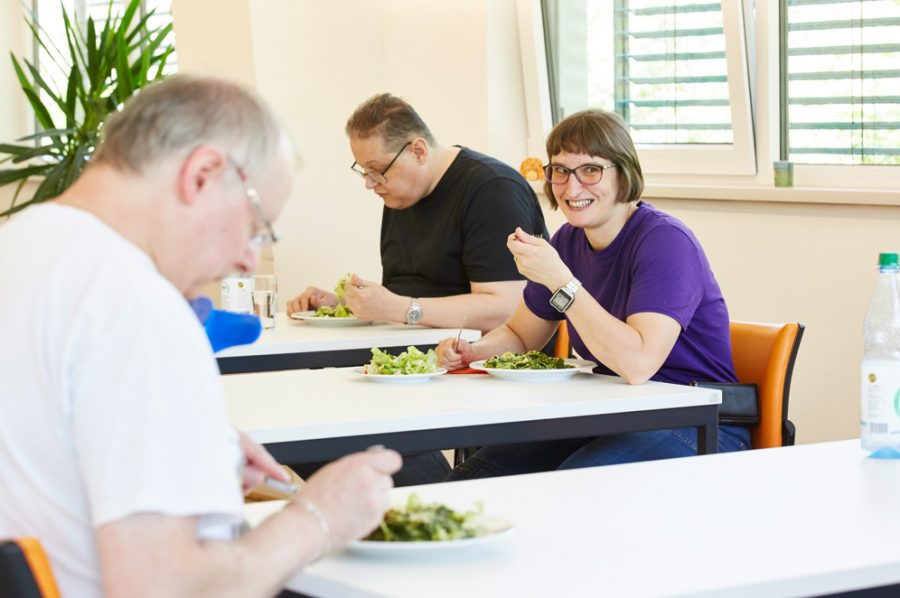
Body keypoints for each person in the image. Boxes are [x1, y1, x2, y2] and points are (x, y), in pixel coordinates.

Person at [0, 75, 401, 598]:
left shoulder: (23, 244)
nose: (247, 258)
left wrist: (182, 438)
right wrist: (318, 517)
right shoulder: (138, 306)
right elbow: (169, 588)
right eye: (257, 225)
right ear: (203, 174)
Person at [437, 109, 750, 480]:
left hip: (696, 422)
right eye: (560, 171)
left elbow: (638, 365)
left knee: (567, 489)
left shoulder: (666, 241)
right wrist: (474, 352)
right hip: (609, 411)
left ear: (624, 172)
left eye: (590, 170)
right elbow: (522, 336)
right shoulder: (567, 241)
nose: (572, 188)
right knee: (472, 480)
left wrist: (563, 283)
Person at [286, 93, 547, 485]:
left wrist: (400, 309)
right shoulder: (401, 194)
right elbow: (407, 288)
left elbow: (505, 307)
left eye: (378, 171)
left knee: (333, 431)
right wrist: (342, 302)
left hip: (470, 359)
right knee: (301, 423)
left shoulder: (492, 190)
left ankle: (436, 498)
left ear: (419, 150)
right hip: (404, 353)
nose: (370, 185)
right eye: (363, 171)